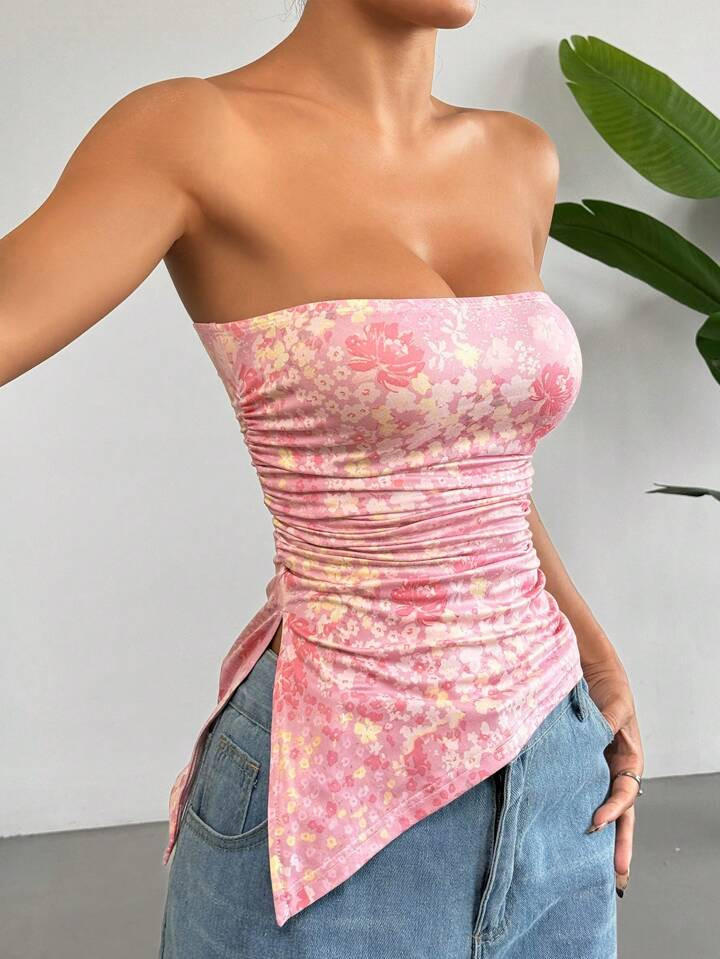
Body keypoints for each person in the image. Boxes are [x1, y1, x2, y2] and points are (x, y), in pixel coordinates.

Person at [0, 1, 645, 956]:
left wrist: (596, 658)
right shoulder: (193, 133)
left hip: (559, 779)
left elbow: (475, 476)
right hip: (333, 806)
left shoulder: (519, 157)